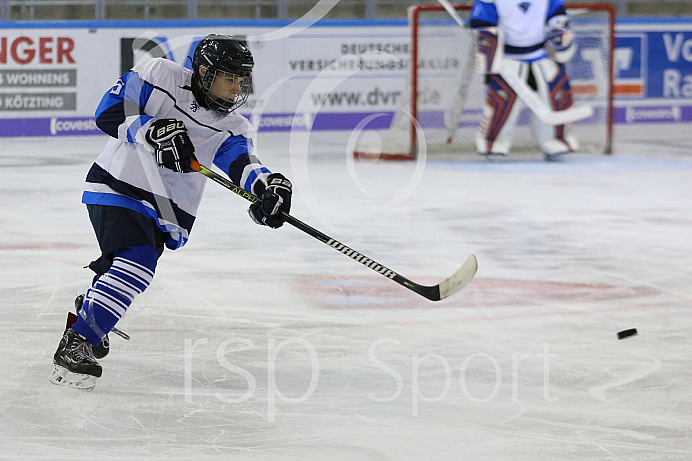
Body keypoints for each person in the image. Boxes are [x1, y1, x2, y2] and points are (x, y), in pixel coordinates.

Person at [49, 34, 293, 390]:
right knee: (138, 262)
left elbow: (243, 164)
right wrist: (153, 130)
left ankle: (94, 308)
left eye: (241, 81)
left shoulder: (233, 126)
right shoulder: (158, 74)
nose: (235, 88)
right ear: (204, 72)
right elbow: (108, 111)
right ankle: (78, 340)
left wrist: (268, 187)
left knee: (133, 264)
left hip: (164, 211)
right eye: (229, 78)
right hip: (117, 187)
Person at [469, 0, 578, 160]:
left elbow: (556, 15)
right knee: (501, 102)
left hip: (541, 56)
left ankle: (555, 141)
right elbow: (482, 22)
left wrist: (561, 30)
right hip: (506, 59)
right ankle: (493, 143)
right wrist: (485, 36)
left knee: (557, 96)